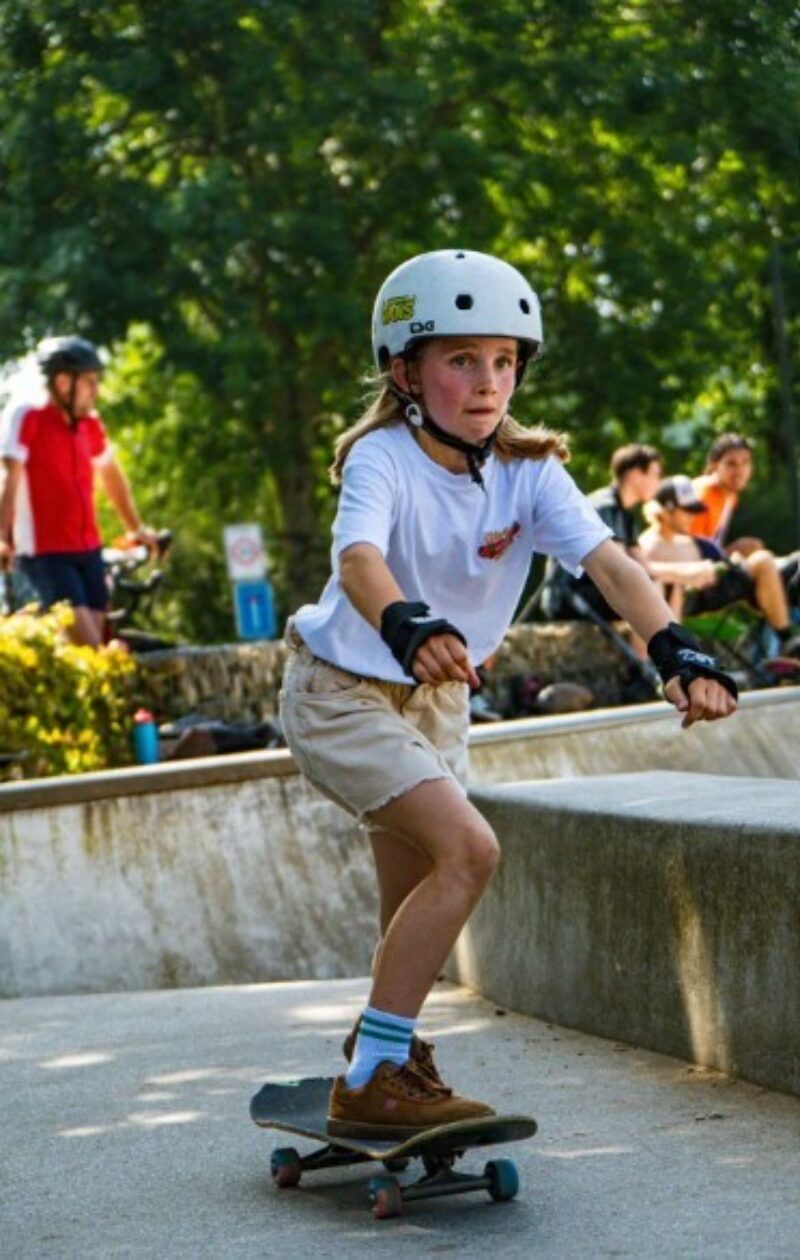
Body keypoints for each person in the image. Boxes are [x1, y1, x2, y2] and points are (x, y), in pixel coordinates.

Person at [279, 248, 737, 1139]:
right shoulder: (383, 458)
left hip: (436, 700)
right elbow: (359, 558)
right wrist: (408, 623)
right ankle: (373, 1076)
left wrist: (674, 649)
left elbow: (606, 561)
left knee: (410, 891)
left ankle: (386, 1052)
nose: (488, 384)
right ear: (406, 371)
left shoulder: (528, 469)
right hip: (344, 692)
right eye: (461, 361)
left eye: (503, 361)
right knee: (472, 853)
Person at [0, 336, 158, 647]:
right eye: (90, 382)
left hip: (87, 549)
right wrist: (3, 538)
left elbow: (112, 476)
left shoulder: (90, 425)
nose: (96, 390)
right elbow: (9, 475)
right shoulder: (28, 415)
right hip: (46, 552)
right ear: (62, 382)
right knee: (92, 650)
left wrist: (136, 530)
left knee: (93, 648)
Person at [639, 475, 800, 653]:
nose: (693, 516)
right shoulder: (649, 545)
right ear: (666, 511)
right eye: (687, 510)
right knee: (764, 560)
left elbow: (719, 560)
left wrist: (731, 558)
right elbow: (650, 579)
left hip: (726, 584)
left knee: (786, 564)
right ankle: (787, 641)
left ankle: (788, 643)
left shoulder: (688, 540)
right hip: (704, 599)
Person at [540, 442, 662, 625]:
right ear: (635, 475)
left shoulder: (625, 514)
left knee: (660, 584)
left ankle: (675, 649)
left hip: (593, 589)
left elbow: (644, 565)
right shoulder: (604, 507)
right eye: (655, 475)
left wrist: (691, 573)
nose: (659, 482)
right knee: (645, 589)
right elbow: (619, 568)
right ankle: (649, 654)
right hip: (569, 596)